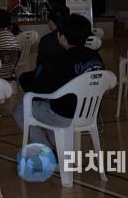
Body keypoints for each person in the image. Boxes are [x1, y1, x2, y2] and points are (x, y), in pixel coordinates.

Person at [13, 14, 104, 149]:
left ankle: (48, 151)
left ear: (62, 37)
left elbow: (40, 88)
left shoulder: (58, 60)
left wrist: (24, 80)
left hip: (65, 115)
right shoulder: (96, 57)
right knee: (51, 103)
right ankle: (61, 148)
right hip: (90, 112)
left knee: (20, 110)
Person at [18, 5, 70, 92]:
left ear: (52, 22)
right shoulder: (72, 35)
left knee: (23, 78)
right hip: (69, 79)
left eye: (49, 21)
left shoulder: (46, 39)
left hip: (49, 80)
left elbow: (40, 63)